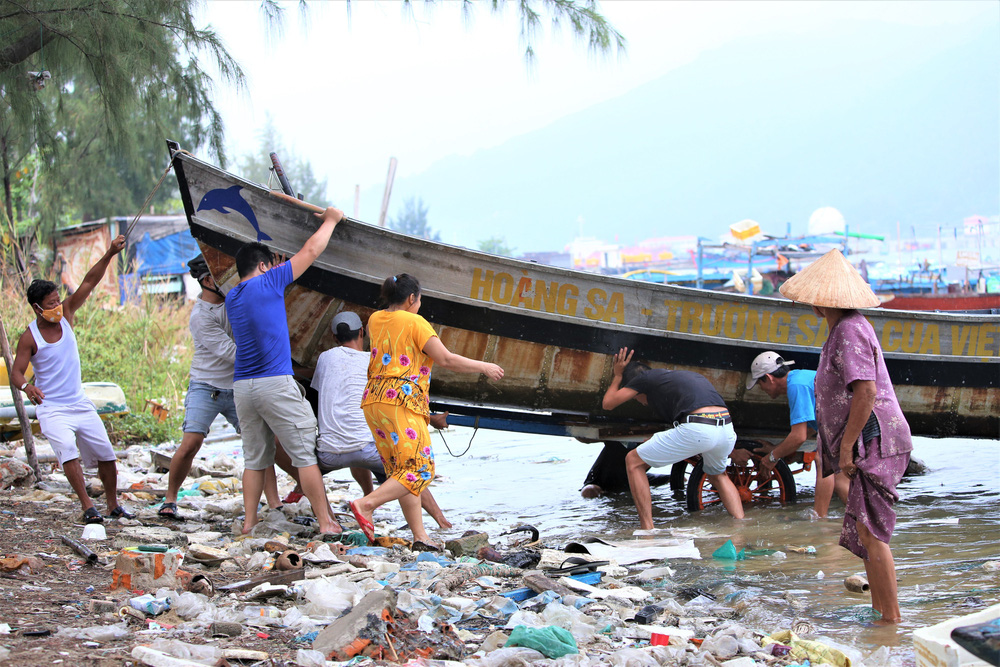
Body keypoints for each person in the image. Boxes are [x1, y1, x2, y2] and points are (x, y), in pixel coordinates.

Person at [779, 248, 912, 624]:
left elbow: (866, 393)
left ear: (819, 304)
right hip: (870, 438)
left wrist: (849, 446)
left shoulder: (849, 330)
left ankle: (891, 621)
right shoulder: (844, 329)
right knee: (864, 530)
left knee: (871, 534)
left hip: (874, 438)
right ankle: (878, 613)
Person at [350, 273, 504, 548]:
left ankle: (420, 536)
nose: (419, 304)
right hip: (402, 400)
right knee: (421, 469)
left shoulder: (375, 318)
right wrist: (484, 366)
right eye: (419, 299)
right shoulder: (415, 322)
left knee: (402, 470)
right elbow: (445, 358)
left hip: (374, 400)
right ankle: (366, 504)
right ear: (412, 298)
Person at [226, 206, 345, 536]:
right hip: (274, 383)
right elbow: (310, 250)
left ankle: (249, 525)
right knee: (305, 455)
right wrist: (332, 220)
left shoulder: (232, 297)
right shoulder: (270, 281)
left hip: (243, 387)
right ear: (264, 266)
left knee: (255, 459)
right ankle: (327, 522)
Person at [275, 310, 451, 529]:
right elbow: (399, 404)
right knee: (408, 467)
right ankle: (441, 522)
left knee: (304, 449)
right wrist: (431, 419)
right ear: (362, 333)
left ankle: (328, 515)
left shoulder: (324, 359)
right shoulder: (375, 362)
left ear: (334, 338)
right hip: (370, 450)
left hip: (330, 454)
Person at [10, 234, 133, 524]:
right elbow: (16, 372)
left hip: (79, 402)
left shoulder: (67, 314)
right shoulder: (30, 337)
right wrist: (27, 387)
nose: (56, 306)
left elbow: (89, 282)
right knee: (67, 452)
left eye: (57, 300)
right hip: (52, 407)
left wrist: (109, 254)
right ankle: (88, 506)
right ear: (36, 308)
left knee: (107, 455)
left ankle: (113, 505)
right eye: (50, 304)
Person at [159, 256, 281, 519]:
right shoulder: (201, 317)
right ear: (207, 281)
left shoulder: (234, 301)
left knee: (263, 442)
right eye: (221, 277)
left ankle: (275, 503)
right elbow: (235, 354)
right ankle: (170, 499)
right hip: (207, 386)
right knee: (191, 443)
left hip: (238, 385)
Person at [602, 348, 744, 529]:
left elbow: (608, 404)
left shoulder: (644, 379)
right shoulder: (679, 378)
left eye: (635, 398)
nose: (639, 402)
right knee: (718, 476)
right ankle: (741, 525)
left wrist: (617, 375)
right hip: (726, 428)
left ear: (636, 387)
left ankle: (647, 529)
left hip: (699, 428)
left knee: (633, 461)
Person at [744, 351, 848, 518]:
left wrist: (771, 457)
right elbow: (810, 429)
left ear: (769, 378)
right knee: (837, 474)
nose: (761, 389)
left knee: (828, 467)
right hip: (843, 425)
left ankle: (821, 521)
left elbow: (798, 436)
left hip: (848, 425)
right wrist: (778, 449)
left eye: (759, 384)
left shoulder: (796, 386)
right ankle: (859, 524)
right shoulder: (800, 377)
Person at [580, 441, 671, 499]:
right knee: (589, 491)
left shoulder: (654, 441)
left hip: (632, 477)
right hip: (601, 480)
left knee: (678, 478)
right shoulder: (615, 434)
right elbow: (586, 439)